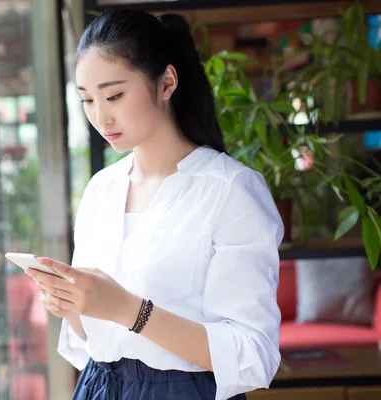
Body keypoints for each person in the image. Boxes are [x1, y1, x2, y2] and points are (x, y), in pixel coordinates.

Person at [24, 8, 283, 400]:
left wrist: (129, 310)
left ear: (166, 83)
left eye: (114, 95)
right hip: (98, 385)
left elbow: (253, 354)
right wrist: (70, 304)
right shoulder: (101, 189)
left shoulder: (231, 191)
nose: (100, 116)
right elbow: (99, 341)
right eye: (87, 100)